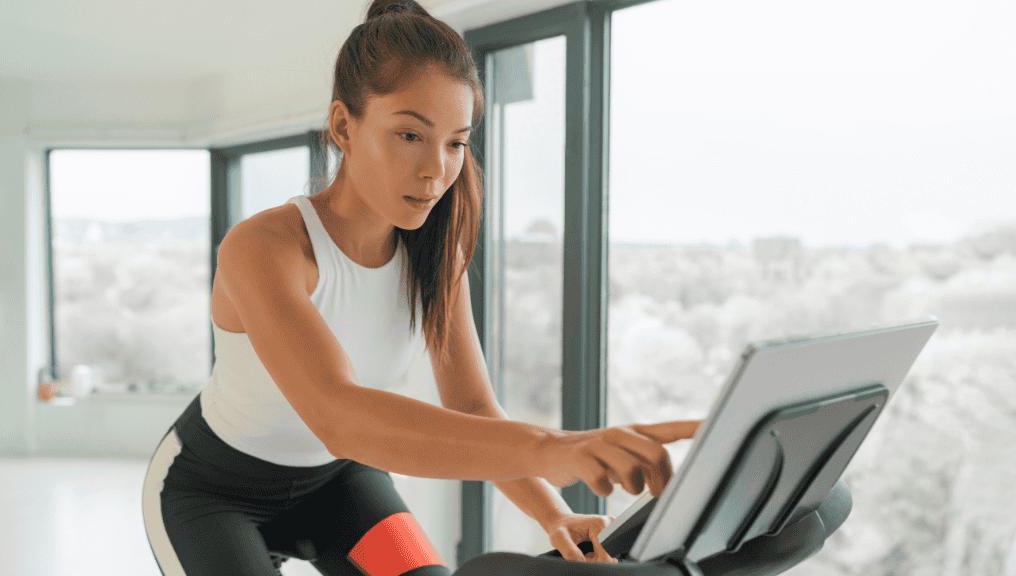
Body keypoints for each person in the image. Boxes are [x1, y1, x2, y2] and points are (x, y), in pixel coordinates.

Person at [142, 1, 703, 574]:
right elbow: (341, 418)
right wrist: (558, 447)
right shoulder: (264, 248)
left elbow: (473, 407)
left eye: (456, 142)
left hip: (340, 484)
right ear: (343, 126)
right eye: (410, 134)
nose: (436, 169)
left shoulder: (436, 255)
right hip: (212, 492)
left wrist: (552, 511)